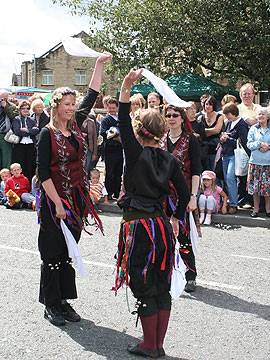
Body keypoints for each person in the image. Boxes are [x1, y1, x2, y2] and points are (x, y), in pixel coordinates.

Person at [114, 69, 189, 358]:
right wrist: (174, 218)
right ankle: (157, 345)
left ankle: (149, 345)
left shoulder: (134, 152)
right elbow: (184, 195)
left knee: (143, 281)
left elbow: (122, 117)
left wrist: (126, 85)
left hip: (139, 227)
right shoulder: (169, 158)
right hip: (160, 225)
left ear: (138, 131)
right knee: (160, 282)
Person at [36, 53, 111, 327]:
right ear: (56, 107)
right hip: (54, 201)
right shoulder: (46, 134)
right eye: (66, 104)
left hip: (76, 200)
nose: (71, 108)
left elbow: (92, 94)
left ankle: (64, 301)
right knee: (52, 252)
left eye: (72, 104)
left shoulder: (77, 125)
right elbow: (43, 173)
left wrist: (99, 65)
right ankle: (50, 304)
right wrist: (56, 203)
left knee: (69, 250)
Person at [161, 104, 201, 293]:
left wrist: (193, 196)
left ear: (182, 117)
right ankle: (167, 274)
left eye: (175, 115)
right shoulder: (160, 139)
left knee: (183, 238)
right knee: (163, 237)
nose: (171, 118)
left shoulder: (190, 139)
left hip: (182, 196)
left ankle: (190, 275)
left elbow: (196, 171)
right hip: (161, 196)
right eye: (168, 115)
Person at [220, 103, 250, 214]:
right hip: (225, 154)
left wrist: (228, 139)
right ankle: (231, 201)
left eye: (227, 114)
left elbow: (243, 142)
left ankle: (233, 204)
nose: (226, 117)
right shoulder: (228, 123)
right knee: (228, 179)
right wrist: (223, 138)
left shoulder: (242, 124)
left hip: (235, 155)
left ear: (233, 113)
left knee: (230, 178)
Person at [247, 107, 270, 217]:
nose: (261, 116)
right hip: (255, 162)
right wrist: (259, 144)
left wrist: (268, 147)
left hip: (268, 164)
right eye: (259, 114)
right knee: (255, 188)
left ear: (268, 116)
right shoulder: (253, 129)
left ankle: (268, 210)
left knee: (268, 189)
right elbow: (249, 144)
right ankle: (255, 209)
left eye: (263, 114)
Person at [100, 97, 123, 200]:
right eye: (110, 108)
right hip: (110, 149)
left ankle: (117, 193)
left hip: (119, 149)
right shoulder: (105, 120)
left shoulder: (121, 118)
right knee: (110, 172)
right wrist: (114, 134)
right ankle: (109, 192)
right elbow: (103, 132)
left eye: (113, 108)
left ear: (117, 107)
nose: (112, 110)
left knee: (118, 172)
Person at [12, 101, 39, 182]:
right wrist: (30, 131)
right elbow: (17, 131)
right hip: (20, 145)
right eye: (23, 108)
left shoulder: (32, 119)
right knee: (21, 165)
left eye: (27, 108)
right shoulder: (16, 119)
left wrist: (27, 130)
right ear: (20, 109)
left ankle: (30, 185)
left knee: (30, 165)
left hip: (31, 145)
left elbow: (36, 130)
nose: (25, 110)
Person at [197, 96, 224, 171]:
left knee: (215, 170)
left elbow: (217, 130)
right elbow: (199, 132)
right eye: (206, 104)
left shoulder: (219, 116)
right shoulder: (200, 118)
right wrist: (207, 131)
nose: (208, 106)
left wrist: (204, 131)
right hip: (203, 149)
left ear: (214, 105)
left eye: (210, 104)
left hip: (215, 148)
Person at [0, 90, 18, 169]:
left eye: (5, 98)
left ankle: (5, 175)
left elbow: (14, 117)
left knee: (6, 157)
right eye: (1, 98)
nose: (3, 100)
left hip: (6, 134)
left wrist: (6, 107)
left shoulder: (12, 106)